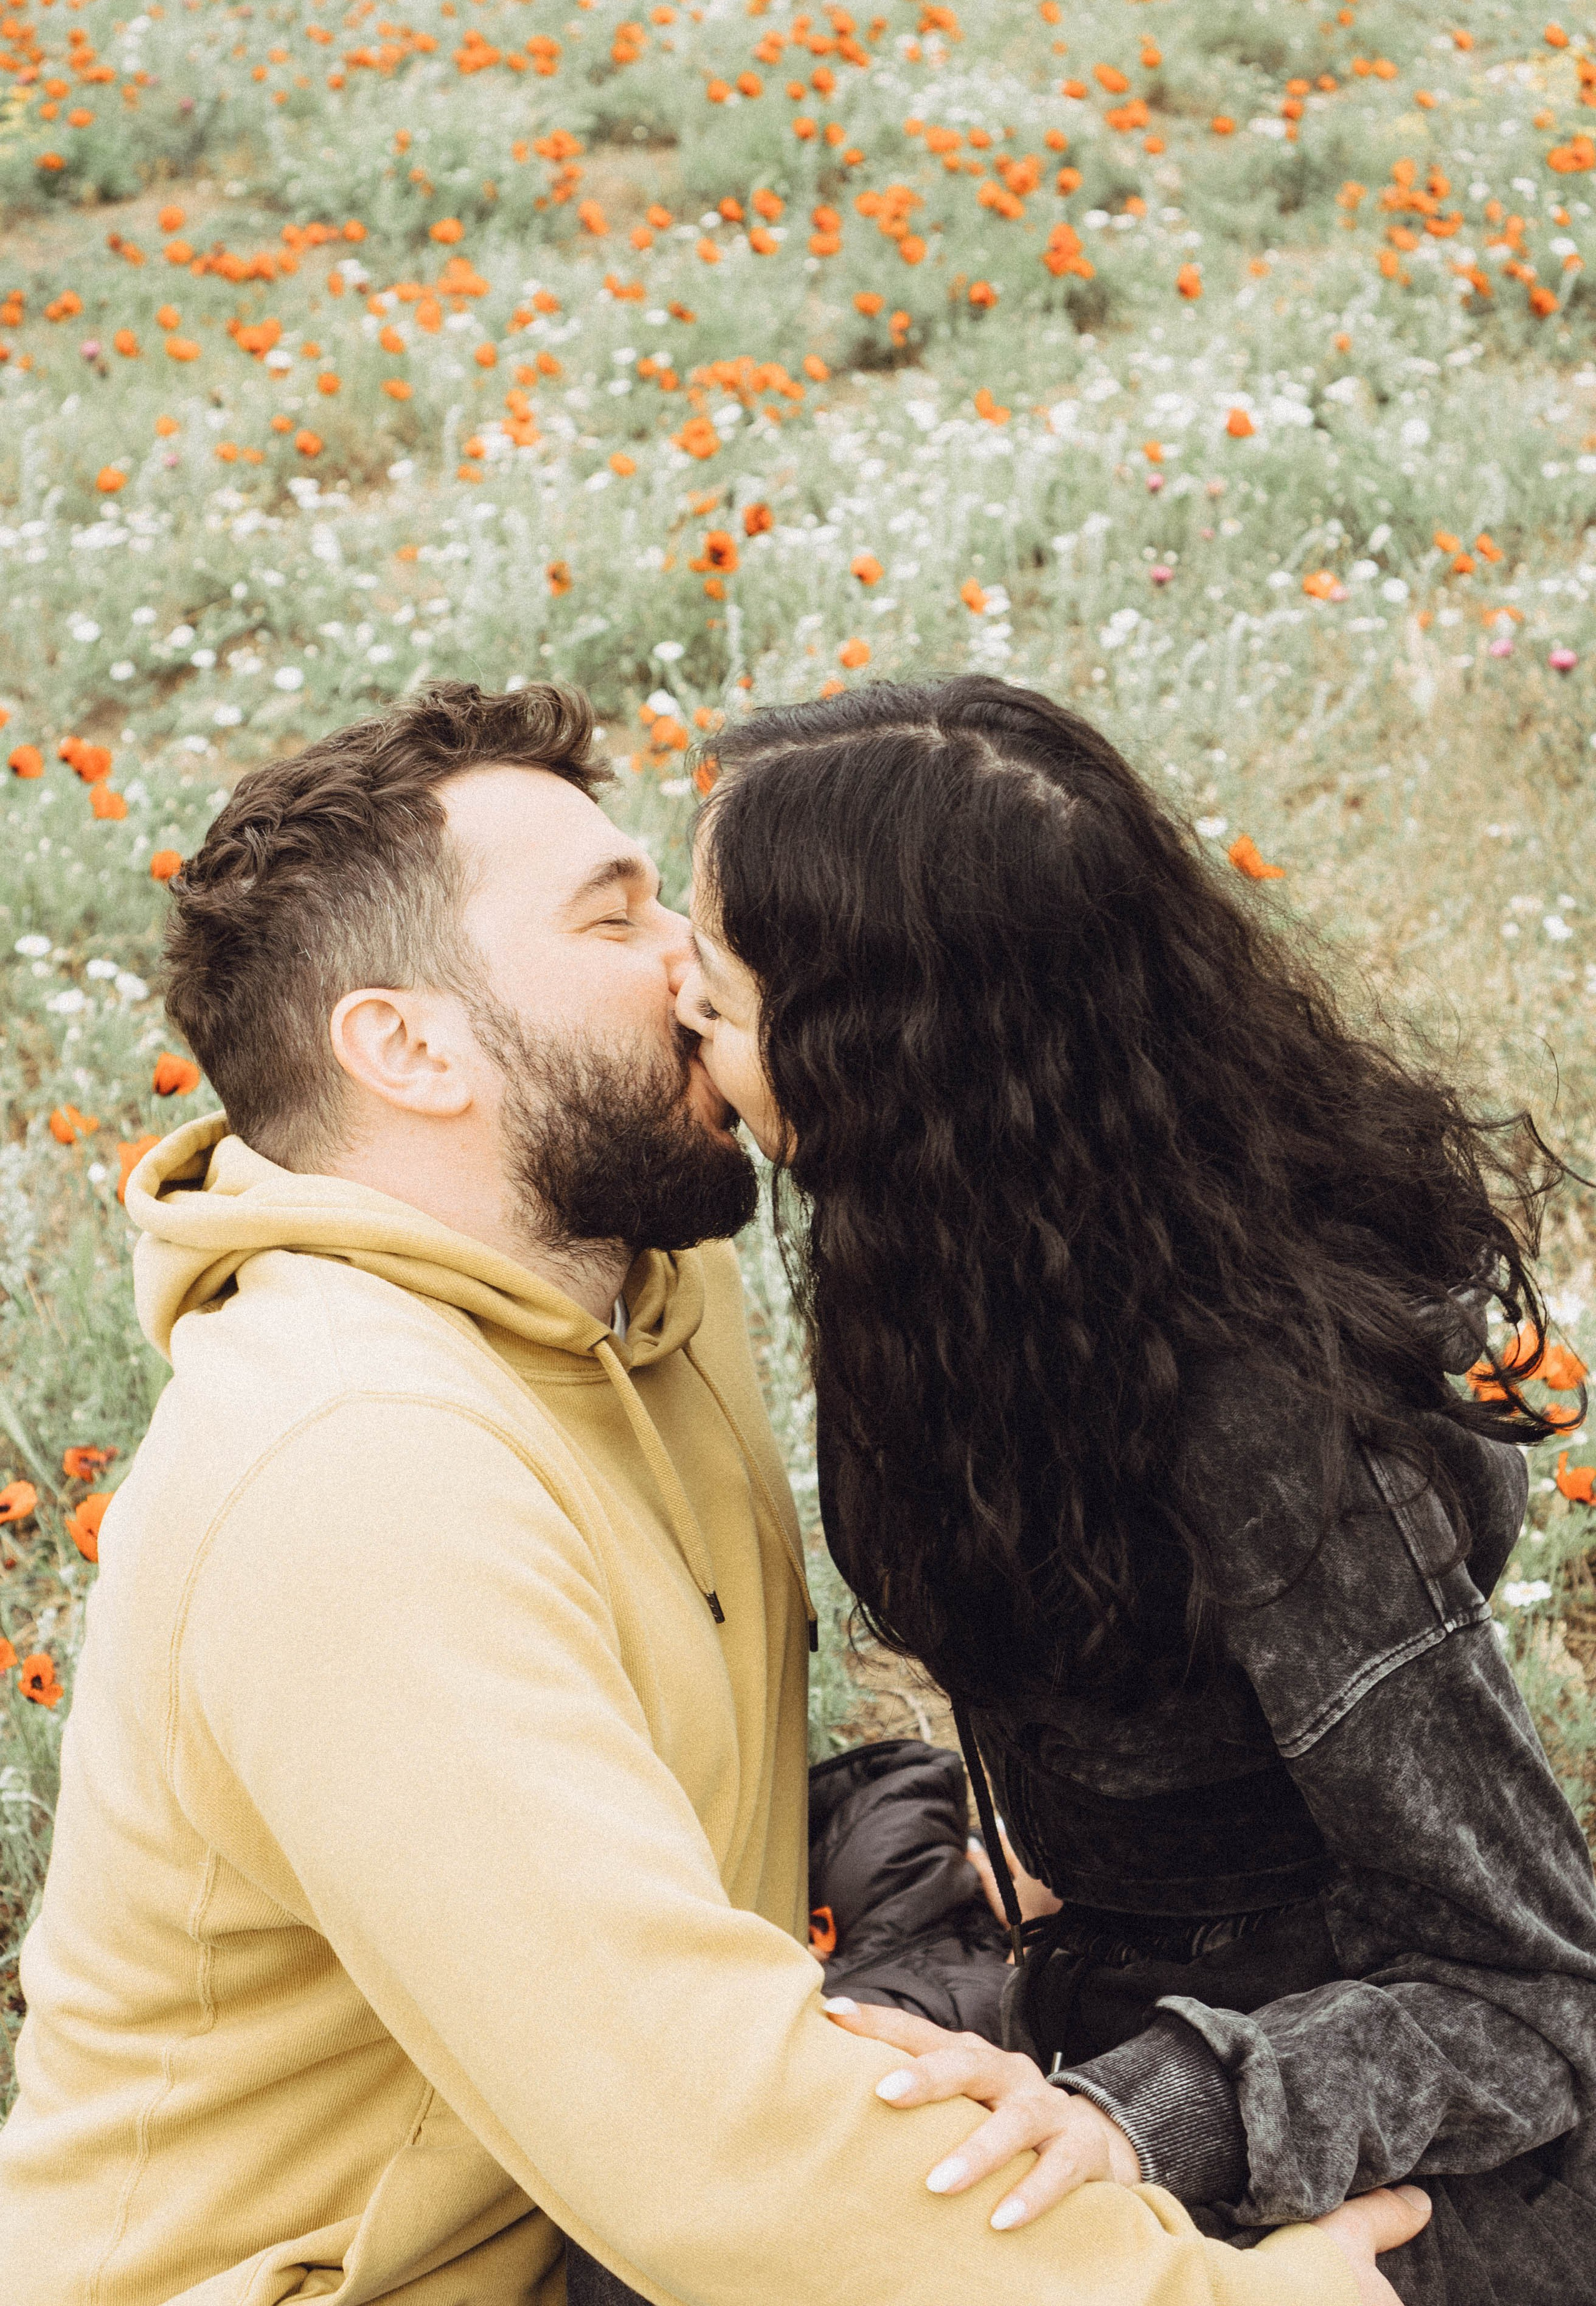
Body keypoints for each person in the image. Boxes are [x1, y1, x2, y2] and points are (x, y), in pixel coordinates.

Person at [0, 682, 1419, 2306]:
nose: (698, 955)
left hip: (631, 2087)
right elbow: (702, 2144)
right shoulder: (349, 1471)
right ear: (407, 1044)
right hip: (420, 2268)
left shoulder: (630, 1265)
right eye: (616, 918)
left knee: (1209, 1922)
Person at [678, 673, 1596, 2306]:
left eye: (719, 988)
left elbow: (1534, 1993)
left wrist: (1158, 2108)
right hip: (1085, 1957)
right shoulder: (949, 1258)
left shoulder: (1267, 1425)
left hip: (1325, 2093)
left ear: (884, 1062)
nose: (673, 1006)